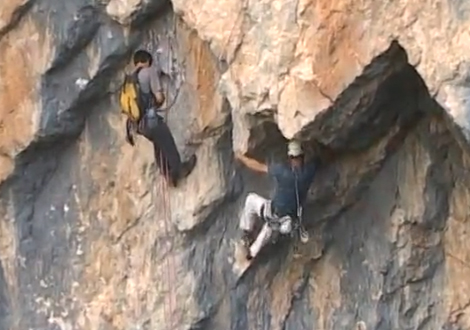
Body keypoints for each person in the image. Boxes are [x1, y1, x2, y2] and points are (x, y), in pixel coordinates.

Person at [234, 140, 318, 260]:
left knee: (251, 200)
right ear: (302, 157)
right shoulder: (308, 173)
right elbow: (319, 159)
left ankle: (247, 235)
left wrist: (241, 157)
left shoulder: (282, 172)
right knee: (269, 228)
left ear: (290, 158)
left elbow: (258, 166)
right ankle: (251, 253)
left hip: (273, 214)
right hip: (288, 222)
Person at [125, 49, 197, 187]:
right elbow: (159, 97)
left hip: (139, 126)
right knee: (166, 140)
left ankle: (167, 175)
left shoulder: (130, 80)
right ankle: (178, 169)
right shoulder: (149, 71)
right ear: (146, 61)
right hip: (151, 120)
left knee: (158, 144)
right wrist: (159, 101)